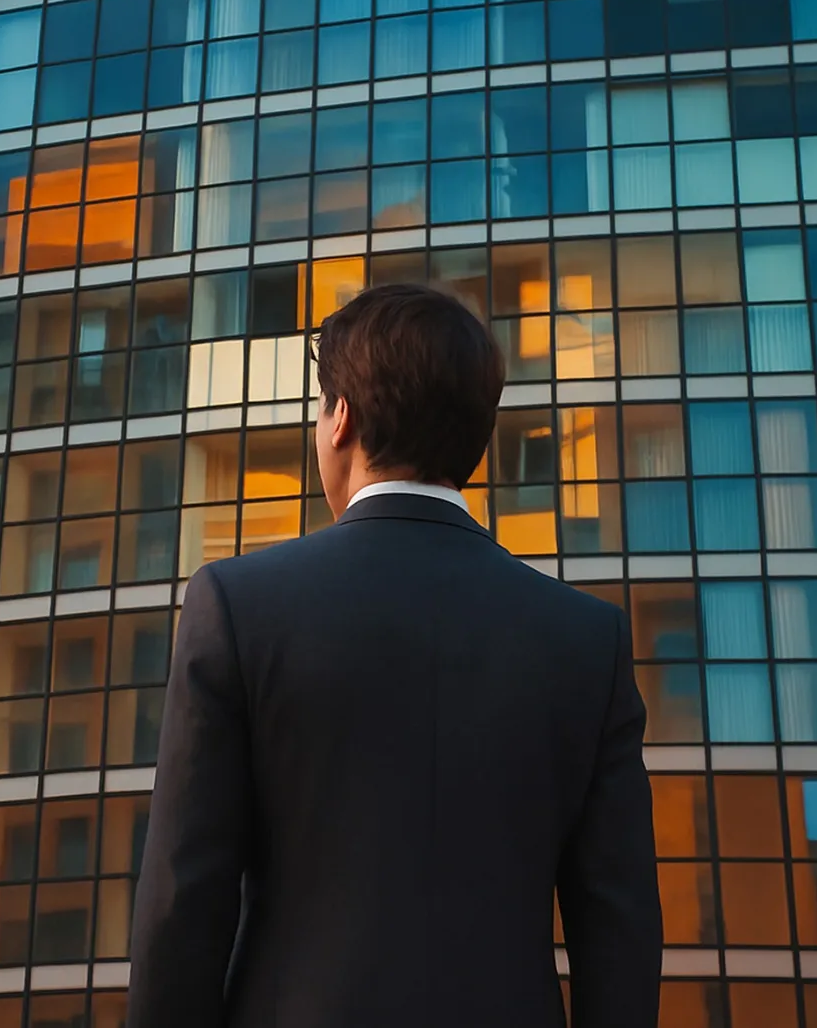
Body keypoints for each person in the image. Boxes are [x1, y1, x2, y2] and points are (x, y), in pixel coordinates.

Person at [127, 283, 663, 1028]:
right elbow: (621, 933)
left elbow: (184, 907)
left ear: (340, 416)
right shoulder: (586, 639)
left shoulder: (239, 606)